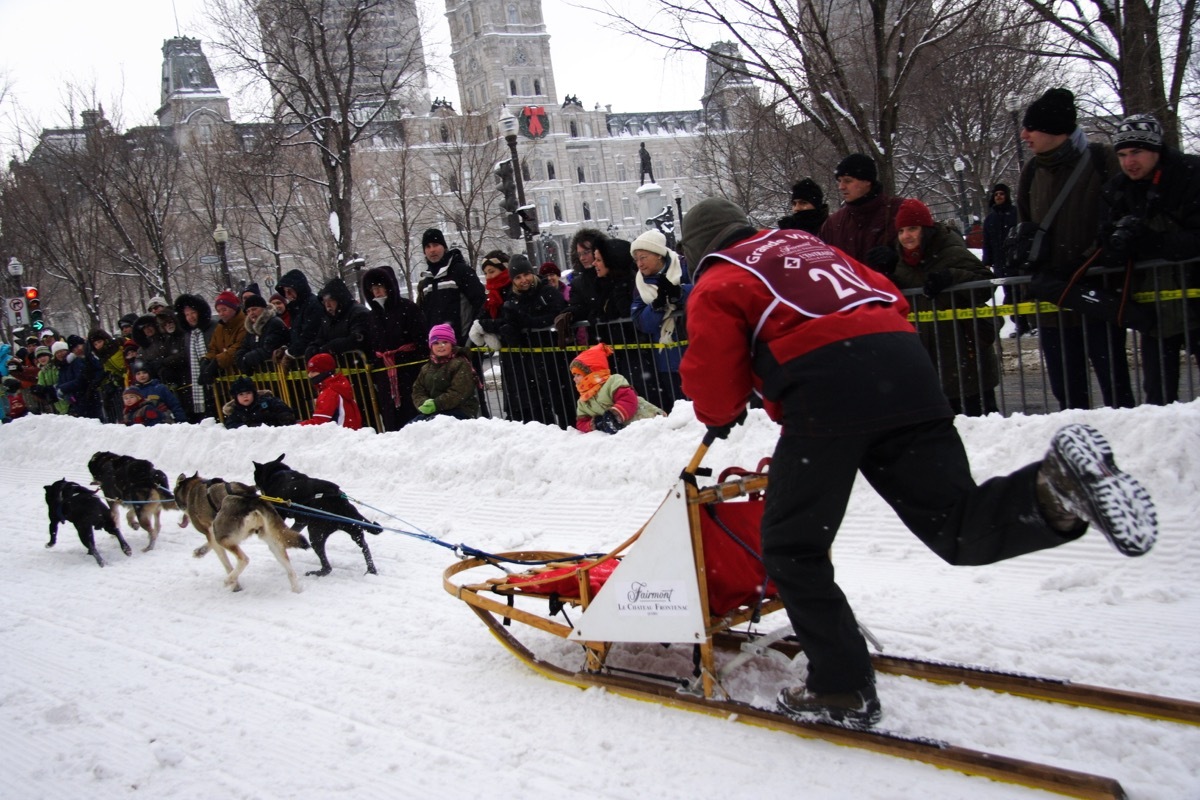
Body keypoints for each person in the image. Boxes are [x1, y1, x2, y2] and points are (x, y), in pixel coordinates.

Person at [677, 197, 1158, 727]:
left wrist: (720, 412)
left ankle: (841, 688)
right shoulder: (807, 244)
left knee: (793, 548)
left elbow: (713, 373)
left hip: (826, 386)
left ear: (698, 250)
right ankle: (1053, 492)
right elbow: (886, 294)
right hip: (905, 365)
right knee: (954, 521)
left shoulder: (719, 279)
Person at [1016, 87, 1136, 410]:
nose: (1024, 135)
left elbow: (1120, 219)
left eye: (1031, 127)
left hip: (1098, 295)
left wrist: (1083, 265)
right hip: (1053, 300)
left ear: (1055, 130)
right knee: (1068, 397)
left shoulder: (1102, 160)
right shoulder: (1031, 172)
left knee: (1117, 392)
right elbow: (1025, 227)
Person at [1101, 113, 1200, 405]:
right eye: (1122, 155)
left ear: (1156, 149)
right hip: (1154, 309)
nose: (1129, 162)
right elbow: (1107, 246)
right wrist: (1115, 245)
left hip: (1194, 296)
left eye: (1136, 152)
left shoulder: (1190, 175)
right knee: (1157, 399)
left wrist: (1152, 241)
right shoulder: (1118, 190)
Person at [882, 199, 1000, 416]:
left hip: (965, 356)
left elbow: (986, 285)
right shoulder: (898, 261)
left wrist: (952, 277)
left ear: (926, 229)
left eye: (912, 228)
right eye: (901, 231)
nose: (906, 236)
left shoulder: (950, 250)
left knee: (980, 422)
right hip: (927, 360)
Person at [497, 255, 570, 425]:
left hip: (555, 354)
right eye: (518, 277)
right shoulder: (512, 299)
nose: (524, 280)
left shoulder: (547, 291)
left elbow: (558, 314)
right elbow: (509, 322)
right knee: (539, 403)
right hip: (530, 359)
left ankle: (569, 429)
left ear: (532, 273)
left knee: (562, 401)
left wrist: (530, 322)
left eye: (526, 274)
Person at [360, 265, 428, 431]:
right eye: (373, 288)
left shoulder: (408, 308)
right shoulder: (371, 316)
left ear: (388, 286)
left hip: (409, 371)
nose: (377, 291)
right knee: (391, 416)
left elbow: (421, 338)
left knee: (413, 412)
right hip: (385, 374)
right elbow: (371, 345)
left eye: (380, 286)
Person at [629, 228, 690, 412]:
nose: (639, 264)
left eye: (643, 257)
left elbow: (705, 291)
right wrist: (656, 306)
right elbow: (640, 321)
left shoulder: (685, 267)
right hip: (668, 360)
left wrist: (680, 293)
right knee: (681, 410)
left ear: (658, 255)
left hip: (697, 350)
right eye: (636, 259)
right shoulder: (640, 284)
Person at [819, 153, 904, 262]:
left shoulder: (900, 211)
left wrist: (898, 257)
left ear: (867, 181)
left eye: (848, 181)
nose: (841, 187)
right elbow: (820, 262)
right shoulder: (833, 223)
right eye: (839, 181)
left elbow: (921, 252)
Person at [569, 343, 663, 433]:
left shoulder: (613, 381)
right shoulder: (583, 400)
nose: (574, 379)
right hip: (626, 434)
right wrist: (597, 423)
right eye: (574, 375)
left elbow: (628, 399)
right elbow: (581, 422)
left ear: (590, 373)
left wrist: (613, 416)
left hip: (645, 420)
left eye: (578, 375)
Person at [416, 228, 485, 344]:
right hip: (438, 347)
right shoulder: (426, 281)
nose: (432, 250)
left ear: (444, 247)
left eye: (436, 245)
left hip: (463, 345)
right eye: (428, 247)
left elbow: (481, 304)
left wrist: (470, 339)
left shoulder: (461, 272)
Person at [981, 183, 1031, 337]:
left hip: (1018, 262)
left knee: (1023, 293)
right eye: (996, 194)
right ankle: (1021, 324)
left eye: (1001, 194)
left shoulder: (1015, 214)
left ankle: (1028, 323)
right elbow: (987, 242)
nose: (999, 197)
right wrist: (987, 262)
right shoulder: (990, 219)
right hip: (1001, 264)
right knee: (1010, 294)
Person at [411, 323, 480, 420]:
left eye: (445, 342)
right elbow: (418, 390)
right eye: (436, 343)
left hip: (460, 410)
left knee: (434, 424)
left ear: (452, 344)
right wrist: (423, 403)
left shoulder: (460, 363)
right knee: (413, 425)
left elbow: (459, 392)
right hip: (435, 411)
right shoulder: (426, 368)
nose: (440, 346)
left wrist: (437, 404)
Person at [174, 294, 216, 422]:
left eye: (193, 313)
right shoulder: (189, 335)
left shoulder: (213, 327)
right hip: (200, 381)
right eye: (187, 315)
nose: (190, 317)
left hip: (215, 376)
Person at [310, 277, 372, 359]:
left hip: (359, 362)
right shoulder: (328, 318)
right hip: (342, 364)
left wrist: (332, 347)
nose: (327, 305)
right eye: (324, 301)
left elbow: (358, 338)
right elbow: (321, 338)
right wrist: (313, 348)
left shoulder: (358, 313)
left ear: (339, 299)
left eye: (330, 300)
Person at [298, 352, 363, 429]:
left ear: (324, 372)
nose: (309, 375)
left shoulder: (329, 392)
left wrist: (297, 426)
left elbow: (320, 422)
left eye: (313, 371)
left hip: (338, 434)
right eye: (309, 372)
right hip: (349, 430)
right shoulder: (339, 386)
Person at [276, 269, 325, 363]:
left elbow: (310, 335)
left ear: (299, 288)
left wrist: (291, 352)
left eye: (289, 291)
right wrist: (286, 348)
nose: (287, 295)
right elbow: (296, 336)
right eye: (285, 292)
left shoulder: (313, 304)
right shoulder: (295, 309)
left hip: (315, 358)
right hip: (306, 359)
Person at [236, 294, 290, 373]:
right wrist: (242, 360)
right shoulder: (251, 329)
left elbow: (268, 350)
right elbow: (244, 347)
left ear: (264, 309)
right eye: (248, 311)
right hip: (265, 374)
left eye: (254, 309)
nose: (251, 313)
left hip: (280, 372)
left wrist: (247, 359)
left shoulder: (274, 323)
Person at [204, 291, 248, 386]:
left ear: (234, 308)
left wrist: (217, 362)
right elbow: (213, 347)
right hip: (228, 377)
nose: (221, 314)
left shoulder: (245, 323)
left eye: (224, 310)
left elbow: (238, 347)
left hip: (244, 374)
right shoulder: (220, 327)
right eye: (218, 311)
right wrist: (207, 359)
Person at [222, 375, 297, 429]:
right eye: (241, 394)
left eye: (248, 393)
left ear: (254, 394)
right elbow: (231, 425)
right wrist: (248, 427)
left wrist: (284, 420)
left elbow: (283, 410)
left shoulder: (268, 401)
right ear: (236, 398)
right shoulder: (236, 411)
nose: (245, 396)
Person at [56, 334, 104, 419]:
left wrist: (63, 388)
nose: (77, 349)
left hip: (90, 396)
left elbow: (81, 380)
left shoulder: (88, 357)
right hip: (82, 398)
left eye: (78, 346)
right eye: (74, 349)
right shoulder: (71, 362)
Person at [89, 329, 128, 422]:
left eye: (99, 342)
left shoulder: (118, 343)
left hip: (131, 373)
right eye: (95, 344)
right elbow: (110, 370)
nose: (98, 345)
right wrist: (115, 378)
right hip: (123, 379)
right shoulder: (102, 355)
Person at [36, 342, 70, 414]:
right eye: (39, 357)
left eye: (44, 355)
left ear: (49, 356)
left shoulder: (57, 366)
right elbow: (42, 386)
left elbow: (64, 380)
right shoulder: (41, 373)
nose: (42, 359)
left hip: (67, 400)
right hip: (56, 405)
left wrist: (53, 388)